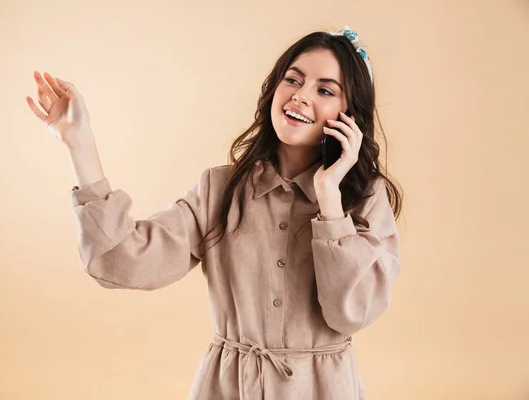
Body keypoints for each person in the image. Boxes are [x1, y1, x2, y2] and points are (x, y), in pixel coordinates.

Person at [26, 24, 403, 400]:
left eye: (324, 90)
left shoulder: (366, 198)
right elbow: (119, 260)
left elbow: (351, 312)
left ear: (349, 114)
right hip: (228, 389)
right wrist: (80, 144)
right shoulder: (219, 190)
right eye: (293, 79)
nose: (301, 96)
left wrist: (329, 199)